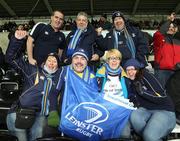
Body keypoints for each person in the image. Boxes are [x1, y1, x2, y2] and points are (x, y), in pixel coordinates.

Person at [5, 30, 62, 141]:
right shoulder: (33, 70)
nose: (51, 62)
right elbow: (11, 59)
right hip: (20, 112)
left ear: (58, 66)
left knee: (38, 136)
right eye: (49, 60)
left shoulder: (59, 79)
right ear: (44, 63)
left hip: (40, 114)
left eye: (55, 61)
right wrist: (17, 40)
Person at [124, 58, 176, 141]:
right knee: (134, 116)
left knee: (149, 136)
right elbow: (132, 97)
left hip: (163, 110)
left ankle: (151, 136)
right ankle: (152, 136)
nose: (130, 72)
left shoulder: (146, 76)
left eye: (132, 69)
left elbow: (162, 97)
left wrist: (143, 92)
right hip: (147, 110)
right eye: (127, 70)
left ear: (138, 69)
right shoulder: (131, 81)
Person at [96, 49, 134, 138]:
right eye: (111, 58)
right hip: (104, 111)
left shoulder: (126, 76)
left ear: (120, 61)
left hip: (121, 111)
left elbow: (131, 94)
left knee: (124, 134)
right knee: (103, 134)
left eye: (117, 58)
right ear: (107, 60)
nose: (114, 61)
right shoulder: (99, 75)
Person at [153, 12, 180, 88]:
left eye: (173, 27)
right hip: (162, 71)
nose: (171, 28)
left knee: (175, 95)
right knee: (161, 93)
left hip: (176, 71)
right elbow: (160, 32)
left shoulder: (178, 40)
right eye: (169, 26)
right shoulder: (159, 37)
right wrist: (169, 21)